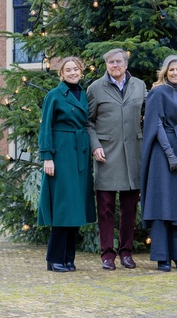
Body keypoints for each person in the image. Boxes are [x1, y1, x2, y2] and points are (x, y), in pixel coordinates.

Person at [86, 48, 147, 270]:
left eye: (119, 61)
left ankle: (126, 252)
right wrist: (95, 146)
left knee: (130, 207)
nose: (115, 65)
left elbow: (149, 114)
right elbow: (88, 122)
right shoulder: (95, 88)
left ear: (126, 64)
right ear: (106, 65)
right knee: (105, 207)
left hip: (133, 153)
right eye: (111, 62)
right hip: (107, 154)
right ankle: (107, 255)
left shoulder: (139, 85)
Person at [38, 56, 95, 272]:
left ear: (81, 71)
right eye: (68, 70)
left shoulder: (84, 94)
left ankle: (69, 258)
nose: (73, 73)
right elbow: (46, 127)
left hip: (80, 154)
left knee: (76, 207)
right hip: (62, 154)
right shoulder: (54, 95)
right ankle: (54, 259)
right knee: (64, 206)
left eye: (76, 69)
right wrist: (47, 157)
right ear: (61, 73)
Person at [140, 54, 177, 272]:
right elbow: (156, 124)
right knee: (162, 202)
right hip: (162, 152)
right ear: (165, 72)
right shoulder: (158, 92)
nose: (175, 73)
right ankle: (162, 256)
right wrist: (169, 153)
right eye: (172, 70)